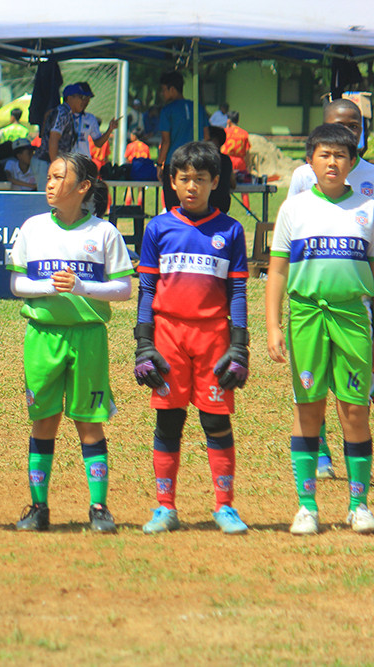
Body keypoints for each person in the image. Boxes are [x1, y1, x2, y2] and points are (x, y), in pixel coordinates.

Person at [7, 153, 133, 533]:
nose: (50, 183)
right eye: (49, 176)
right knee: (43, 421)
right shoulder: (32, 228)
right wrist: (50, 287)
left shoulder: (104, 233)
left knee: (89, 423)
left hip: (88, 338)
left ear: (83, 187)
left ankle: (99, 507)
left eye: (60, 177)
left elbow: (124, 288)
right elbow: (16, 284)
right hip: (43, 337)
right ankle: (38, 507)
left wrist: (83, 287)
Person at [134, 141, 251, 535]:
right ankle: (164, 507)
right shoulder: (158, 228)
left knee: (216, 424)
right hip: (168, 336)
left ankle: (225, 506)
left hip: (214, 339)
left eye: (201, 179)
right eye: (184, 179)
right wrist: (143, 344)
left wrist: (239, 346)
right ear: (172, 180)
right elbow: (147, 290)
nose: (192, 187)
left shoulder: (230, 230)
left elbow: (237, 292)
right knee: (168, 422)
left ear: (214, 182)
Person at [266, 123, 374, 535]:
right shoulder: (294, 209)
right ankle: (307, 506)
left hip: (352, 317)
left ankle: (358, 504)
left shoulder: (368, 208)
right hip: (307, 316)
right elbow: (276, 270)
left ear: (352, 163)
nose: (333, 162)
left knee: (355, 411)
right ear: (310, 161)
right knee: (307, 410)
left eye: (341, 156)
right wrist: (274, 325)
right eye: (325, 154)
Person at [286, 99, 374, 479]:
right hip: (314, 293)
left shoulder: (368, 173)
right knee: (312, 387)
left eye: (355, 125)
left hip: (355, 293)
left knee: (357, 390)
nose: (349, 130)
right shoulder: (306, 176)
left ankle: (354, 457)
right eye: (339, 124)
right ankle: (319, 448)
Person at [32, 83, 118, 192]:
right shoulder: (62, 113)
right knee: (47, 199)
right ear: (70, 97)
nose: (84, 101)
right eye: (81, 97)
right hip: (46, 162)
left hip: (58, 163)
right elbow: (53, 140)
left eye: (86, 98)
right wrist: (55, 167)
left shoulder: (68, 113)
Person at [288, 99, 374, 198]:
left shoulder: (371, 174)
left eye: (353, 126)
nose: (346, 132)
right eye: (338, 125)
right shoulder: (304, 175)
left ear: (361, 130)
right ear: (324, 128)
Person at [157, 71, 210, 210]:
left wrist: (159, 164)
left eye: (164, 90)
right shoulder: (198, 107)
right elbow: (207, 137)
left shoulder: (167, 110)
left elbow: (165, 141)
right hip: (198, 161)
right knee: (195, 205)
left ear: (172, 89)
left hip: (174, 163)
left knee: (173, 208)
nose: (162, 94)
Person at [206, 126, 235, 214]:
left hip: (206, 203)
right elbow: (233, 183)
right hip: (223, 204)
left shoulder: (204, 160)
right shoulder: (226, 159)